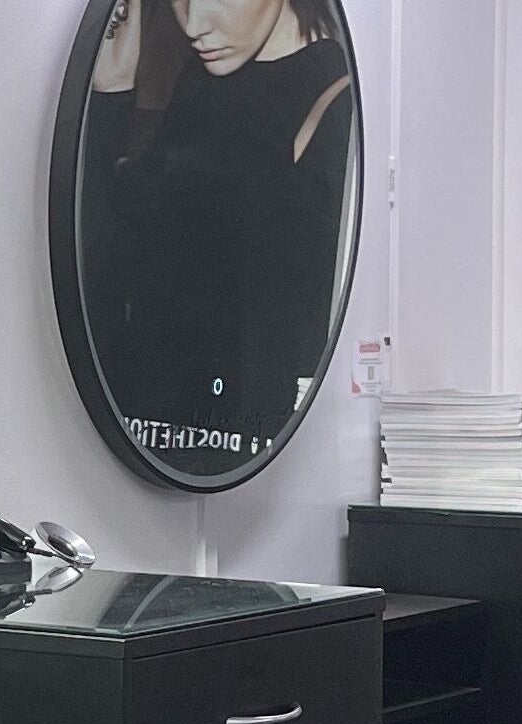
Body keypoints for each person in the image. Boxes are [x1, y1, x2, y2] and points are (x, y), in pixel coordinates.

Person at [83, 0, 357, 472]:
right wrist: (110, 93)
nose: (193, 24)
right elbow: (116, 257)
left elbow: (281, 316)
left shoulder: (335, 100)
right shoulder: (204, 82)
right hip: (141, 432)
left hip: (238, 444)